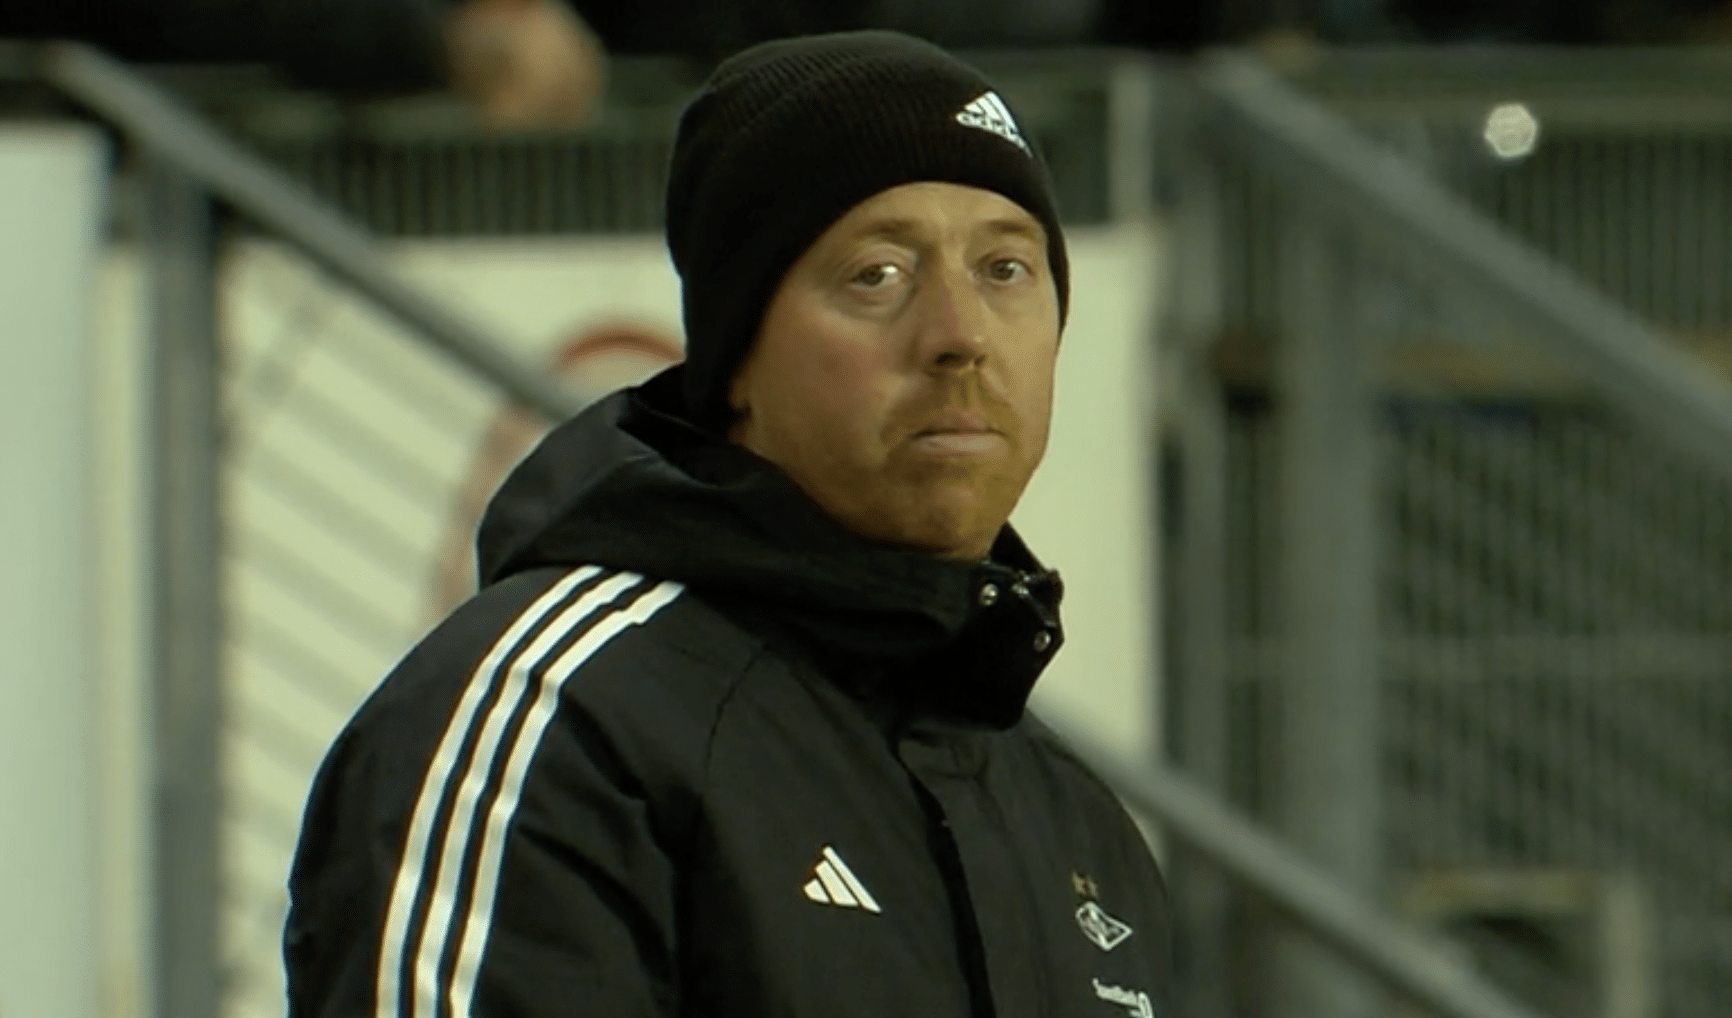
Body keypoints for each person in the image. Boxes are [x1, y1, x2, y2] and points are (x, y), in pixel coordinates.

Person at [284, 30, 1170, 1017]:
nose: (960, 334)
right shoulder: (555, 721)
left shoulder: (1077, 824)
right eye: (877, 274)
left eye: (1006, 268)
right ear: (736, 356)